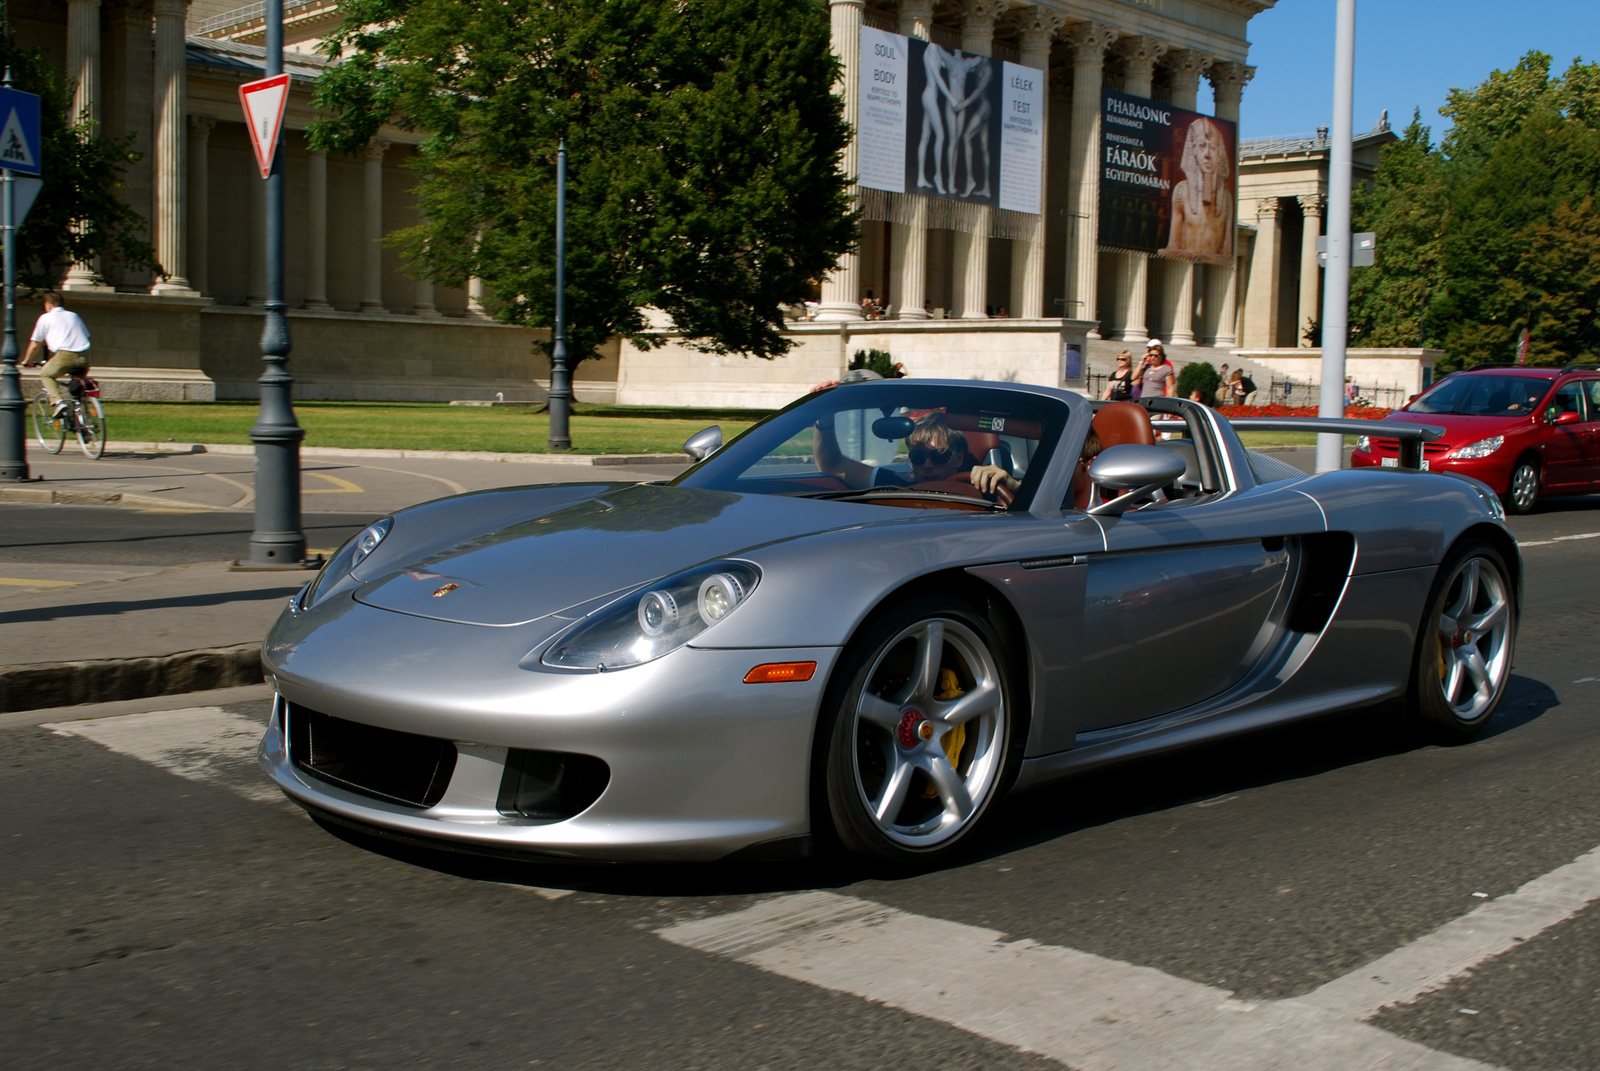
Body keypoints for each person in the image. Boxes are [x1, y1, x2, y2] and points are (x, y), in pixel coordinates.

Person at [814, 411, 976, 490]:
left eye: (939, 455)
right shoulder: (899, 485)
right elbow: (832, 464)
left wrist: (996, 477)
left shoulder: (979, 489)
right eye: (918, 457)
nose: (928, 464)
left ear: (959, 458)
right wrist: (824, 420)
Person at [1158, 116, 1234, 262]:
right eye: (1201, 146)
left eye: (1212, 147)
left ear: (1219, 154)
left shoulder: (1226, 197)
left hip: (1212, 271)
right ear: (1193, 152)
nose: (1207, 155)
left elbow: (1227, 252)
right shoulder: (1181, 191)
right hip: (1183, 268)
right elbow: (1173, 245)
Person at [22, 292, 92, 415]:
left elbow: (35, 344)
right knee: (78, 386)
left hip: (64, 355)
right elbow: (86, 335)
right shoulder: (74, 316)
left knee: (46, 374)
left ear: (48, 305)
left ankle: (58, 402)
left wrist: (27, 360)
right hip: (84, 356)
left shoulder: (45, 318)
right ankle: (83, 418)